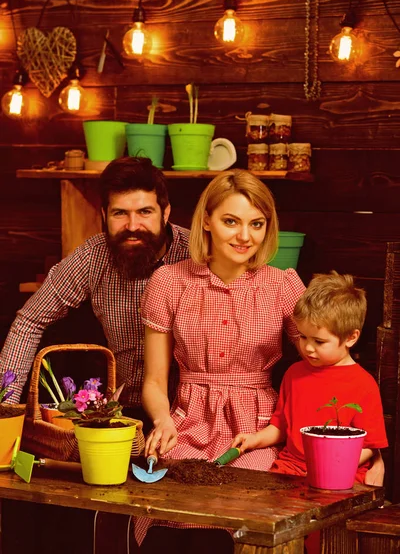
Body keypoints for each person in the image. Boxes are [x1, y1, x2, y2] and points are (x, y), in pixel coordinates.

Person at [136, 169, 306, 552]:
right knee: (169, 503)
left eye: (256, 224)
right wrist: (162, 421)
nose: (245, 236)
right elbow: (154, 380)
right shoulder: (168, 281)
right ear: (207, 221)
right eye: (231, 221)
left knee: (251, 508)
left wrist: (363, 448)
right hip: (186, 425)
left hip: (259, 432)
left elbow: (323, 364)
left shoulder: (283, 285)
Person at [0, 157, 190, 429]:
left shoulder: (195, 256)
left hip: (184, 415)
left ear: (166, 212)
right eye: (120, 213)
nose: (133, 225)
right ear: (104, 215)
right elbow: (30, 320)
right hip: (116, 412)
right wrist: (4, 409)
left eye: (145, 212)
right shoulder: (93, 256)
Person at [232, 270, 388, 483]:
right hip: (289, 469)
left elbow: (369, 446)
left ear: (351, 337)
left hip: (342, 473)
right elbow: (280, 428)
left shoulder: (364, 385)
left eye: (319, 341)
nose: (307, 347)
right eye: (303, 336)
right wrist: (254, 440)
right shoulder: (294, 373)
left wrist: (329, 466)